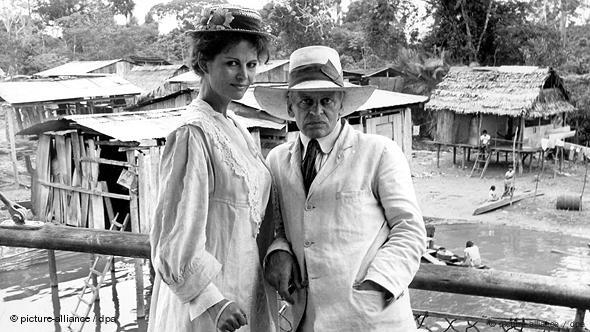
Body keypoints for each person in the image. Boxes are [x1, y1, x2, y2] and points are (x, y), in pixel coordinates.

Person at [254, 46, 426, 332]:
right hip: (308, 319)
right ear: (289, 106)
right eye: (306, 101)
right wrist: (278, 250)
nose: (316, 111)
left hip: (373, 319)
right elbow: (280, 228)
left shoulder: (379, 152)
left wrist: (378, 283)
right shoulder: (277, 160)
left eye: (327, 101)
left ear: (341, 103)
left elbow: (409, 228)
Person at [148, 6, 276, 332]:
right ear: (205, 64)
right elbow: (172, 236)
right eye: (232, 63)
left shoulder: (237, 128)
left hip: (245, 287)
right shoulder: (192, 133)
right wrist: (213, 301)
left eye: (251, 65)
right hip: (210, 304)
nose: (243, 75)